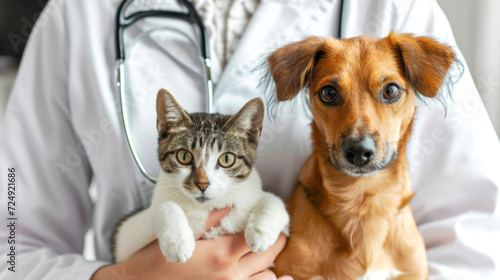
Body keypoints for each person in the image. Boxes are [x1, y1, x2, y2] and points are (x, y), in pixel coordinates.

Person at [1, 0, 499, 279]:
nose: (359, 128)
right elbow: (9, 245)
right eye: (329, 94)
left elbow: (479, 240)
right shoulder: (76, 17)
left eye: (387, 92)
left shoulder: (397, 10)